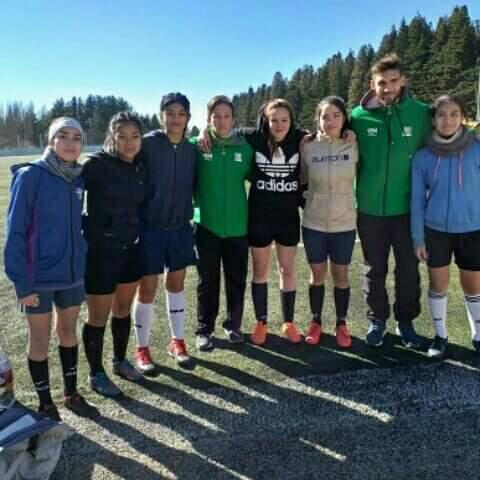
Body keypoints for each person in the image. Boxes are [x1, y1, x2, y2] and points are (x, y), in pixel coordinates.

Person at [4, 117, 95, 419]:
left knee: (67, 332)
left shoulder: (78, 179)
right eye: (63, 136)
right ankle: (45, 402)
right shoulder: (31, 176)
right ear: (51, 141)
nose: (70, 143)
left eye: (76, 138)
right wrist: (22, 283)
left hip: (70, 275)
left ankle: (71, 392)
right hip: (38, 278)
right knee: (39, 339)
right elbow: (15, 231)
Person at [351, 53, 431, 348]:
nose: (388, 87)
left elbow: (451, 131)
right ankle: (377, 319)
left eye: (394, 81)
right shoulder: (358, 117)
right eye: (382, 82)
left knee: (409, 269)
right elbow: (332, 134)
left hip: (409, 209)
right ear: (372, 84)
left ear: (403, 81)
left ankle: (406, 322)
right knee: (374, 268)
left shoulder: (421, 113)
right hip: (370, 209)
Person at [82, 112, 147, 397]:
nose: (129, 143)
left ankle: (120, 361)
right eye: (122, 136)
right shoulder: (96, 165)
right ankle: (96, 373)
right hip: (101, 252)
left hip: (131, 249)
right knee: (98, 316)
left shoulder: (141, 166)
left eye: (135, 136)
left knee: (122, 310)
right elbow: (66, 173)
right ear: (112, 137)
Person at [411, 94, 480, 358]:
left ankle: (478, 336)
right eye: (441, 114)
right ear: (433, 120)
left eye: (453, 114)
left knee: (473, 286)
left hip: (473, 230)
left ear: (462, 117)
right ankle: (440, 337)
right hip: (435, 231)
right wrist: (418, 238)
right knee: (438, 285)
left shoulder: (476, 148)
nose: (447, 120)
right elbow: (417, 201)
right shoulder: (422, 157)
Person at [133, 93, 197, 372]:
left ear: (188, 118)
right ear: (161, 116)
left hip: (181, 228)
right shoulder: (147, 144)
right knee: (147, 288)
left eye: (180, 113)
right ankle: (142, 348)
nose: (175, 118)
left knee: (177, 284)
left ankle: (177, 341)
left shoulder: (193, 148)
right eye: (169, 113)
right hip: (150, 229)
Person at [193, 95, 254, 351]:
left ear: (234, 119)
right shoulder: (197, 146)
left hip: (239, 226)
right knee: (207, 281)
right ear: (208, 119)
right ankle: (204, 330)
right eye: (215, 116)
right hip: (206, 225)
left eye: (226, 115)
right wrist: (199, 134)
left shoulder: (246, 148)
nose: (221, 120)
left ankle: (233, 325)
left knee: (236, 279)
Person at [300, 96, 358, 347]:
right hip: (313, 222)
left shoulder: (354, 144)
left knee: (342, 275)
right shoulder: (307, 146)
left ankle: (341, 324)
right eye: (325, 116)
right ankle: (315, 321)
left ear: (345, 118)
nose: (331, 121)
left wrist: (354, 134)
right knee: (317, 275)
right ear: (318, 120)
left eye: (336, 115)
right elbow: (300, 179)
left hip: (344, 223)